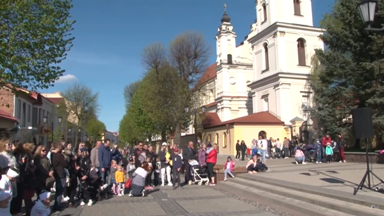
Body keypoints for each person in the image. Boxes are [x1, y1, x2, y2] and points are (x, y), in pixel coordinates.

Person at [51, 142, 68, 212]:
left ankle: (57, 204)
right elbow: (65, 164)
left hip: (56, 173)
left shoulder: (52, 154)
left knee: (58, 190)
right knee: (60, 190)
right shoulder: (59, 155)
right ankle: (57, 205)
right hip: (60, 173)